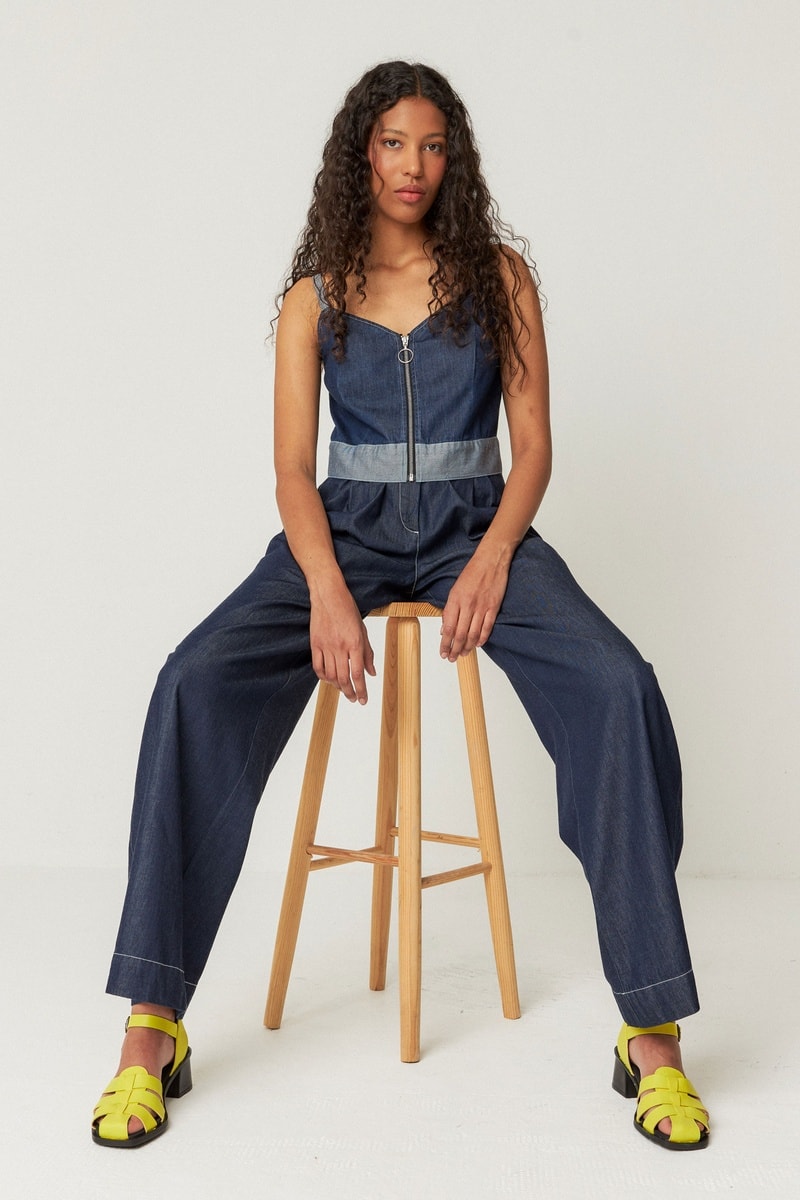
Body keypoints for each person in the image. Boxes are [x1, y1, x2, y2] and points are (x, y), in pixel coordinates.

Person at [91, 61, 709, 1151]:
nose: (413, 165)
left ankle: (650, 1031)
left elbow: (533, 448)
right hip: (346, 531)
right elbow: (292, 471)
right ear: (359, 157)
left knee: (618, 686)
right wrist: (327, 589)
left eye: (431, 145)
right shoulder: (315, 295)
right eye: (391, 143)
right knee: (191, 681)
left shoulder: (499, 277)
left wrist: (494, 557)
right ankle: (152, 1028)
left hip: (478, 526)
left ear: (451, 158)